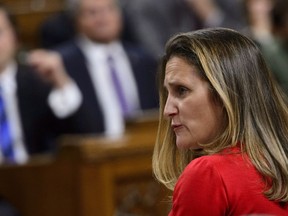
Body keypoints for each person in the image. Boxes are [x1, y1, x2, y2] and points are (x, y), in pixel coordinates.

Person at [152, 28, 288, 215]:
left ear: (226, 94)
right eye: (168, 93)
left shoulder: (208, 174)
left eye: (181, 90)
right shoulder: (278, 166)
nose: (167, 110)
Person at [33, 0, 158, 137]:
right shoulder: (60, 64)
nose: (102, 17)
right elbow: (59, 126)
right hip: (92, 151)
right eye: (92, 12)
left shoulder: (144, 60)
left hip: (143, 147)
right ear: (77, 19)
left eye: (109, 9)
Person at [0, 3, 94, 164]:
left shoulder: (40, 81)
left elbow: (80, 134)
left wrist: (62, 83)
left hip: (39, 179)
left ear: (15, 37)